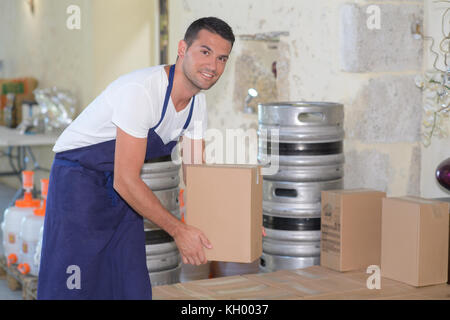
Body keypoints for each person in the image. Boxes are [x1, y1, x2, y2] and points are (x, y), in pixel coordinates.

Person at [37, 17, 235, 300]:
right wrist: (179, 231)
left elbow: (197, 176)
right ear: (182, 48)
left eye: (222, 58)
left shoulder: (197, 105)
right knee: (75, 283)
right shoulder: (142, 91)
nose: (213, 66)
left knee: (128, 283)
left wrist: (236, 218)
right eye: (205, 52)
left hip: (122, 192)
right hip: (78, 184)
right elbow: (126, 179)